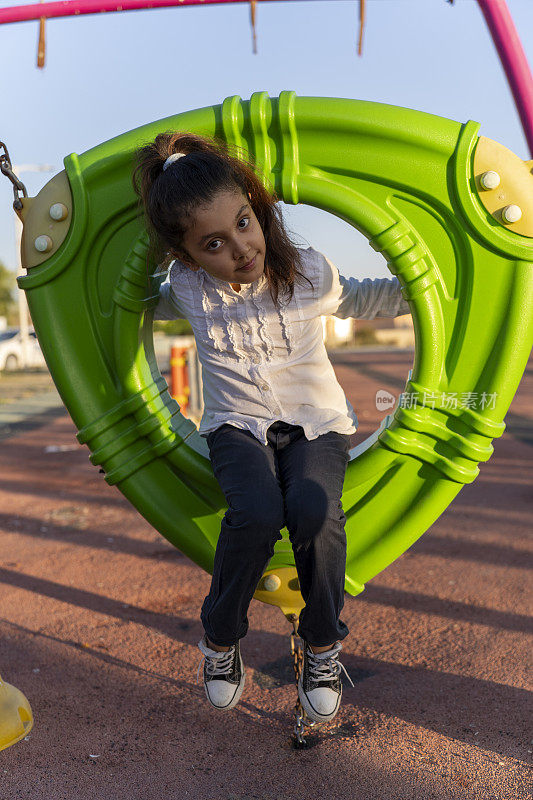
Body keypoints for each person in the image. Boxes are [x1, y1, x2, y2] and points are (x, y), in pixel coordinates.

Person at [132, 132, 410, 723]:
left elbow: (368, 298)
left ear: (258, 209)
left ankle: (323, 643)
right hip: (237, 424)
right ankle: (221, 639)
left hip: (316, 422)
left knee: (314, 511)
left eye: (243, 223)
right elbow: (126, 305)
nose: (240, 248)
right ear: (186, 258)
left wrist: (426, 289)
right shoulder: (186, 289)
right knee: (256, 514)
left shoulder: (308, 270)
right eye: (213, 243)